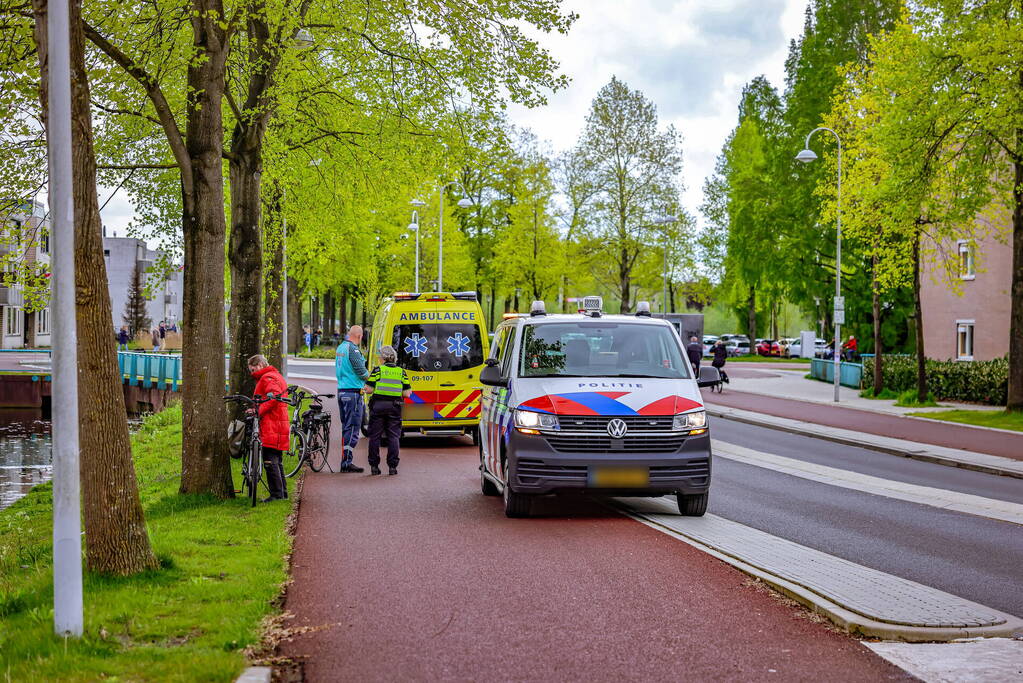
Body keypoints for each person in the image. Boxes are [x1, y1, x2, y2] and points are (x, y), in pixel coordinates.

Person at [364, 345, 411, 475]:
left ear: (383, 358)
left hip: (378, 406)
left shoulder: (378, 370)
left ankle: (374, 466)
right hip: (394, 407)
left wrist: (365, 388)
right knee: (393, 437)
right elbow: (407, 393)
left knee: (375, 437)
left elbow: (369, 389)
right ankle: (392, 467)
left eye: (380, 356)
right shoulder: (401, 372)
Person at [248, 354, 289, 502]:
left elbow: (274, 397)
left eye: (253, 370)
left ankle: (276, 495)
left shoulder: (267, 378)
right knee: (276, 459)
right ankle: (282, 493)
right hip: (278, 421)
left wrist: (258, 410)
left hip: (272, 422)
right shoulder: (274, 375)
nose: (252, 373)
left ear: (259, 365)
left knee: (269, 459)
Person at [335, 325, 369, 472]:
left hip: (342, 391)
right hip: (353, 393)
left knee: (346, 427)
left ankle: (345, 460)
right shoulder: (353, 349)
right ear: (360, 336)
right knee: (353, 428)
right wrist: (373, 378)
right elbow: (361, 371)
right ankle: (346, 462)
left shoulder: (340, 348)